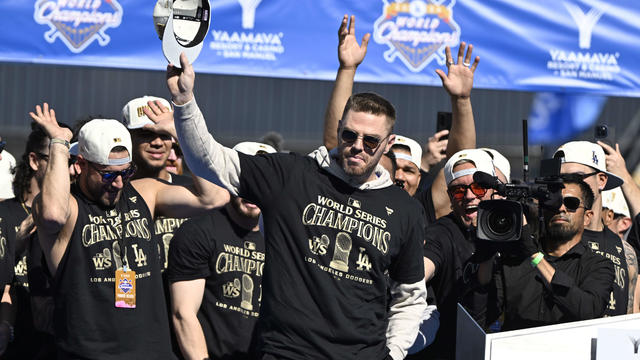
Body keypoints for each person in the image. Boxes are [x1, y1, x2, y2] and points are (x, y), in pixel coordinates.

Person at [164, 46, 427, 359]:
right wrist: (184, 102)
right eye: (349, 135)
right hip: (287, 351)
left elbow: (409, 298)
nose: (357, 147)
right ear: (339, 127)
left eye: (370, 141)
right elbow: (210, 160)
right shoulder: (291, 175)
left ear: (388, 143)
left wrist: (394, 353)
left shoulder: (404, 208)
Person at [29, 102, 229, 359]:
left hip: (152, 352)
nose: (120, 183)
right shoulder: (67, 206)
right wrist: (59, 143)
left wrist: (180, 133)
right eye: (109, 175)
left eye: (127, 171)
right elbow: (52, 215)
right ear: (81, 164)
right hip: (89, 353)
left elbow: (214, 198)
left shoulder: (145, 193)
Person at [321, 14, 479, 229]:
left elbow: (460, 162)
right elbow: (335, 141)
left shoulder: (421, 210)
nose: (400, 177)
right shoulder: (353, 193)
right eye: (394, 168)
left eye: (410, 170)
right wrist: (347, 70)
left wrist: (461, 100)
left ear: (421, 179)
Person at [168, 141, 275, 360]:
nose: (252, 193)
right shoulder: (198, 231)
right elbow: (184, 314)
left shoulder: (282, 239)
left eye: (261, 183)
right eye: (246, 183)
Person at [480, 177, 614, 330]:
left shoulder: (598, 265)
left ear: (587, 217)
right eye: (554, 202)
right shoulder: (513, 261)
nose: (561, 208)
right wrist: (485, 255)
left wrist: (535, 257)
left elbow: (588, 310)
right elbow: (481, 317)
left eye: (571, 203)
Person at [421, 149, 496, 359]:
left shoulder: (518, 229)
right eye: (459, 190)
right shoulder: (441, 232)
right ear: (449, 197)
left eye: (479, 188)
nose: (469, 196)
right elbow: (421, 269)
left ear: (494, 190)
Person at [554, 141, 636, 315]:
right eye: (559, 179)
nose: (567, 186)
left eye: (576, 177)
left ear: (601, 180)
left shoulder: (624, 250)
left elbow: (629, 317)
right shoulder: (552, 238)